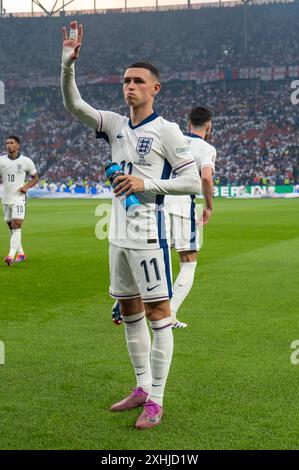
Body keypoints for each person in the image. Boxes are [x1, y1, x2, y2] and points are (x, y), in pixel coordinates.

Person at [61, 21, 201, 429]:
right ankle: (141, 386)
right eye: (126, 81)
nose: (130, 86)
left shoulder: (168, 131)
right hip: (116, 236)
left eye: (138, 81)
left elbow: (191, 181)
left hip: (148, 235)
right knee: (128, 310)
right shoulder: (115, 125)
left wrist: (146, 182)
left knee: (159, 313)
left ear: (155, 89)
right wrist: (68, 66)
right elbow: (75, 106)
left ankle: (156, 399)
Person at [164, 107, 216, 328]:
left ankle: (130, 299)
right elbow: (206, 178)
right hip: (183, 205)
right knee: (188, 262)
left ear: (188, 124)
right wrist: (209, 206)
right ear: (209, 126)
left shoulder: (173, 140)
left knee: (156, 256)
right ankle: (170, 313)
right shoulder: (206, 148)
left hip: (159, 201)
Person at [0, 136, 38, 266]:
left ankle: (10, 256)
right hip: (6, 199)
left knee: (17, 225)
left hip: (19, 199)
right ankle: (21, 253)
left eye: (11, 143)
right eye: (7, 143)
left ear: (18, 145)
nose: (8, 145)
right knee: (11, 228)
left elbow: (35, 177)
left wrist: (26, 187)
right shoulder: (1, 161)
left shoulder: (26, 161)